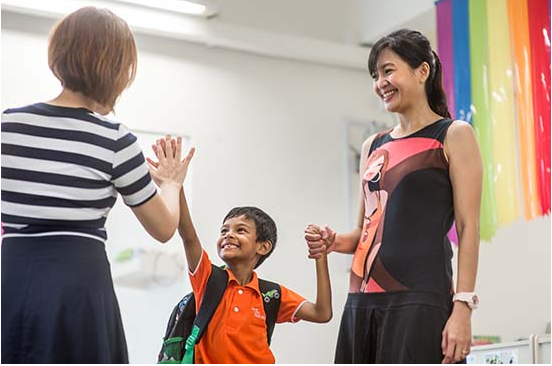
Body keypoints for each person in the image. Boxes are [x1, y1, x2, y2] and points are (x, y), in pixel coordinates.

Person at [1, 7, 189, 363]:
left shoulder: (8, 127)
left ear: (59, 55)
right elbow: (165, 228)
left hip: (13, 277)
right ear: (115, 70)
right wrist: (171, 183)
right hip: (79, 287)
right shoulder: (114, 140)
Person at [305, 29, 482, 364]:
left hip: (419, 299)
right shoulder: (374, 144)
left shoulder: (453, 135)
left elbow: (469, 226)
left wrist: (463, 306)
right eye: (375, 75)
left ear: (422, 71)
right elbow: (365, 230)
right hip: (361, 300)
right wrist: (332, 241)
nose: (380, 82)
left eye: (388, 70)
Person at [147, 141, 332, 364]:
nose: (228, 235)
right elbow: (188, 235)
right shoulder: (209, 279)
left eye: (240, 230)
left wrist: (320, 256)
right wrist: (175, 186)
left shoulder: (271, 294)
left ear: (263, 246)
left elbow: (322, 313)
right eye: (223, 230)